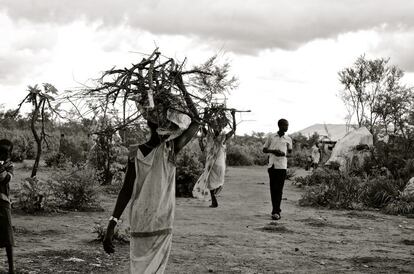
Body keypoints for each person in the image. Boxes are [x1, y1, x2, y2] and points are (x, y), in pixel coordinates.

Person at [103, 91, 199, 273]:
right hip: (161, 221)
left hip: (140, 221)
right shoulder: (171, 149)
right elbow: (196, 121)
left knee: (138, 268)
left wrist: (111, 225)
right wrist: (182, 88)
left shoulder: (138, 153)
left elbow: (126, 191)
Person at [193, 109, 236, 207]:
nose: (217, 129)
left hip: (215, 164)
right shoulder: (217, 137)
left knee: (210, 182)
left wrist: (205, 114)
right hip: (216, 164)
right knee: (211, 182)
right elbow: (233, 129)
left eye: (218, 127)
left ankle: (214, 200)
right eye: (215, 127)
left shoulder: (216, 137)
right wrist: (233, 116)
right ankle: (214, 200)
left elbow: (202, 125)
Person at [262, 119, 292, 220]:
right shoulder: (271, 137)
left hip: (282, 166)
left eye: (287, 126)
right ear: (280, 126)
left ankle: (276, 211)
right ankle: (275, 210)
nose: (287, 127)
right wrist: (274, 151)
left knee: (279, 189)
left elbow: (290, 152)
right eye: (285, 125)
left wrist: (284, 154)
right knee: (273, 189)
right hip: (272, 166)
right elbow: (264, 149)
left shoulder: (288, 139)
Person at [0, 139, 15, 274]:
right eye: (2, 151)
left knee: (8, 237)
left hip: (3, 202)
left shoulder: (9, 166)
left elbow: (5, 179)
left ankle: (11, 268)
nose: (4, 155)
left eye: (7, 152)